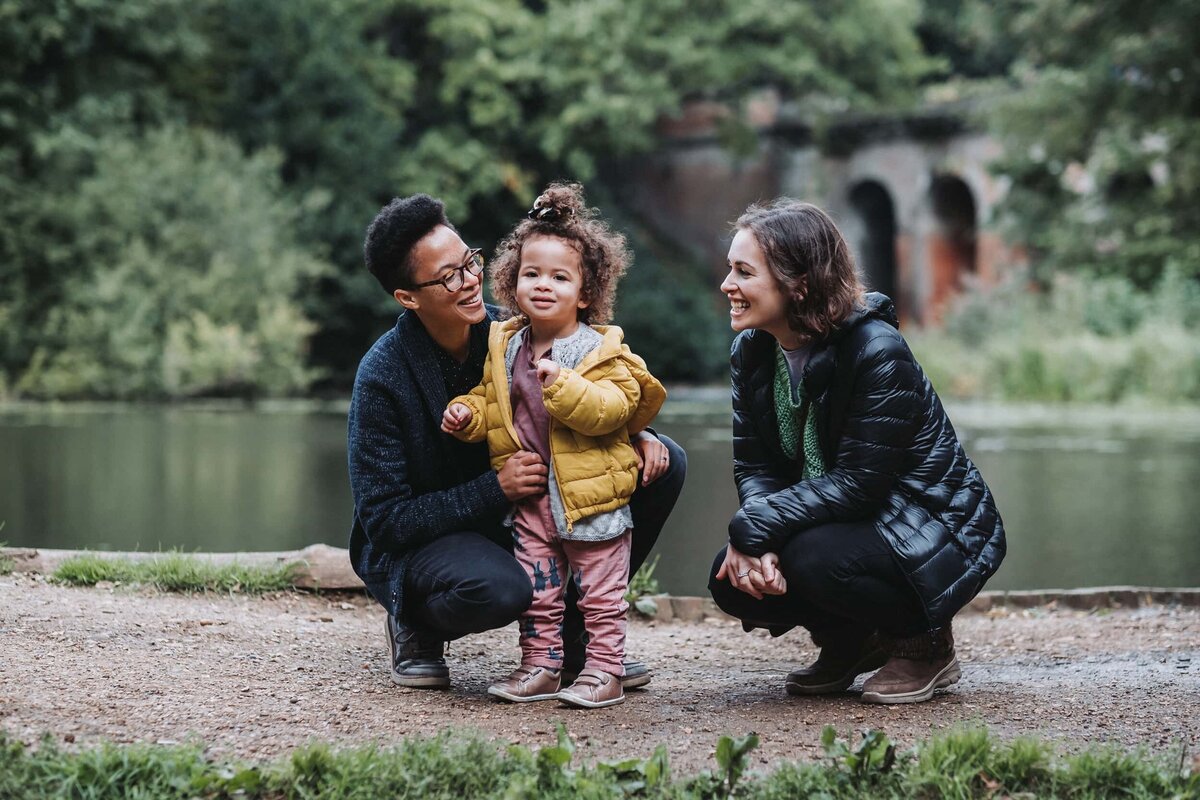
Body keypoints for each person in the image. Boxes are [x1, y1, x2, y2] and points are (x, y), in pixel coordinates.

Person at [348, 191, 685, 694]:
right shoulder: (382, 375)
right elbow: (385, 522)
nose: (469, 281)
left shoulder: (510, 333)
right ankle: (415, 625)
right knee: (499, 590)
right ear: (408, 297)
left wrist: (638, 433)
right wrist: (494, 489)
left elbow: (595, 375)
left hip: (521, 511)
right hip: (428, 539)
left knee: (664, 462)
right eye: (448, 277)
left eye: (470, 262)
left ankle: (575, 642)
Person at [707, 199, 1005, 705]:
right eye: (729, 269)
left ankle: (925, 646)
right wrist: (757, 538)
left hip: (932, 523)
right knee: (731, 579)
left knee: (811, 558)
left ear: (798, 282)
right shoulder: (752, 351)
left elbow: (860, 486)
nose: (727, 285)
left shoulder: (875, 349)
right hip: (850, 517)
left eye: (743, 271)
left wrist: (754, 529)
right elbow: (756, 465)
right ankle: (851, 641)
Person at [441, 183, 664, 708]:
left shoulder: (599, 348)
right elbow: (498, 403)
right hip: (534, 496)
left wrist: (562, 386)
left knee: (601, 593)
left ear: (585, 294)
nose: (543, 285)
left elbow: (614, 408)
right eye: (531, 274)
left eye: (560, 277)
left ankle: (605, 671)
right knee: (538, 590)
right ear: (512, 281)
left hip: (590, 497)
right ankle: (541, 666)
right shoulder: (508, 344)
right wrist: (467, 413)